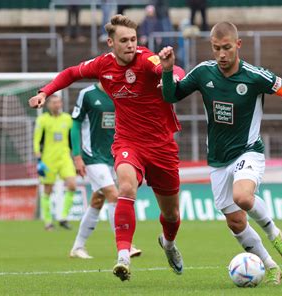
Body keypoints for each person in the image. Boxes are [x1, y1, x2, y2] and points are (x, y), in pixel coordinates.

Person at [159, 22, 282, 285]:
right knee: (235, 223)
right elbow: (172, 97)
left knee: (242, 196)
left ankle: (276, 234)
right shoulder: (203, 73)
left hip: (248, 152)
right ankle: (270, 265)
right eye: (216, 48)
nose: (221, 54)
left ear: (238, 45)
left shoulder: (255, 76)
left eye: (227, 48)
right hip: (218, 161)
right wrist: (167, 70)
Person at [29, 14, 186, 282]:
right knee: (124, 187)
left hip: (161, 146)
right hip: (128, 142)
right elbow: (70, 73)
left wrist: (171, 72)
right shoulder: (103, 65)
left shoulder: (147, 59)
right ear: (111, 43)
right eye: (124, 40)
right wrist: (46, 91)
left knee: (171, 214)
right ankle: (123, 256)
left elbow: (172, 70)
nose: (130, 45)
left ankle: (169, 244)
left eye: (134, 40)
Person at [69, 82, 142, 260]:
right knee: (114, 195)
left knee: (97, 200)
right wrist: (77, 156)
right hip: (92, 156)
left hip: (114, 155)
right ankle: (125, 246)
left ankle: (77, 247)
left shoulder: (121, 93)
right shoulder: (87, 94)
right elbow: (76, 124)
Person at [33, 95, 76, 231]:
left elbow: (72, 138)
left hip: (64, 158)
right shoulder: (43, 120)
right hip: (48, 160)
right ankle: (48, 222)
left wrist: (76, 155)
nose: (57, 105)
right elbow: (36, 140)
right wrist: (39, 160)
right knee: (47, 191)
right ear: (48, 105)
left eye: (58, 102)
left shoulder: (68, 119)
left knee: (72, 185)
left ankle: (63, 217)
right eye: (54, 102)